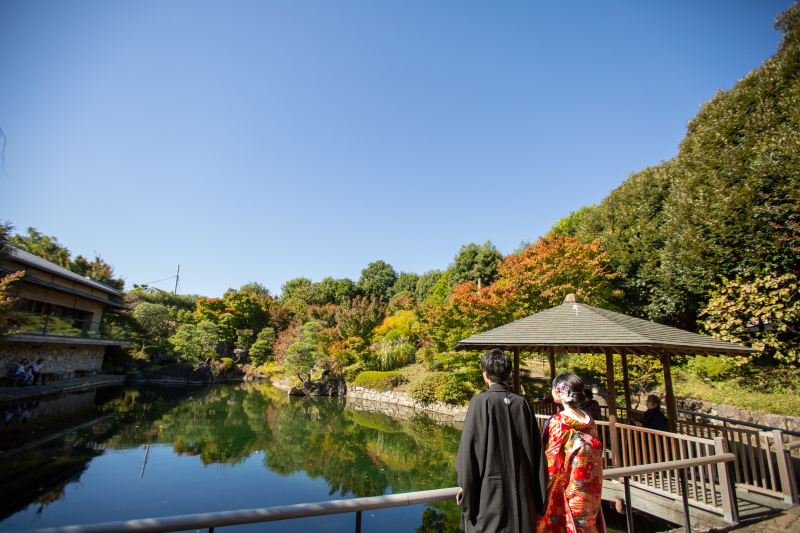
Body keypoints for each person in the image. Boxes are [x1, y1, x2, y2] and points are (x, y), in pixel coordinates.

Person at [455, 348, 547, 533]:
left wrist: (466, 488)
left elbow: (469, 450)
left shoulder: (480, 402)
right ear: (508, 373)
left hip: (489, 500)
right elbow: (537, 452)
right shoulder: (522, 403)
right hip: (523, 499)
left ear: (485, 374)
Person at [537, 373, 605, 533]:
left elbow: (552, 462)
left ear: (560, 391)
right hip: (590, 492)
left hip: (565, 493)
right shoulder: (589, 421)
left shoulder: (558, 423)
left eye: (554, 388)